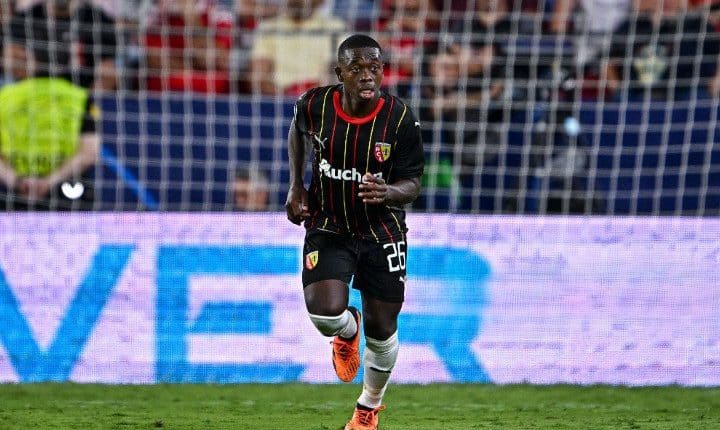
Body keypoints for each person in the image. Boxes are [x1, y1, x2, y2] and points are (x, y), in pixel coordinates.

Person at [285, 34, 424, 430]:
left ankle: (367, 409)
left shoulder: (399, 118)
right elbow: (297, 130)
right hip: (329, 223)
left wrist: (388, 191)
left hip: (382, 231)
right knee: (324, 314)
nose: (367, 75)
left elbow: (413, 183)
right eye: (357, 68)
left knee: (383, 330)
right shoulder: (314, 105)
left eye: (374, 68)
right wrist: (296, 185)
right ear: (339, 73)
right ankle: (348, 329)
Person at [0, 76, 99, 210]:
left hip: (13, 192)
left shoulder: (5, 95)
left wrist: (17, 181)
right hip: (66, 191)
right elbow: (89, 152)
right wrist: (49, 181)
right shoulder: (79, 96)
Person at [7, 0, 118, 90]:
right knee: (12, 55)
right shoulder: (27, 17)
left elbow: (108, 65)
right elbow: (10, 52)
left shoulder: (96, 18)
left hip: (80, 93)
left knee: (108, 71)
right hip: (36, 89)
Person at [249, 0, 346, 96]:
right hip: (278, 98)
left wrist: (311, 95)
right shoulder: (268, 28)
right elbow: (258, 78)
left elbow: (336, 73)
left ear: (321, 1)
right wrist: (285, 96)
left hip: (319, 98)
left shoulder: (334, 27)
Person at [142, 0, 233, 93]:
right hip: (162, 92)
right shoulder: (154, 17)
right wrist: (197, 66)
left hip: (211, 93)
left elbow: (216, 61)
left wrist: (190, 15)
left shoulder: (220, 15)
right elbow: (156, 60)